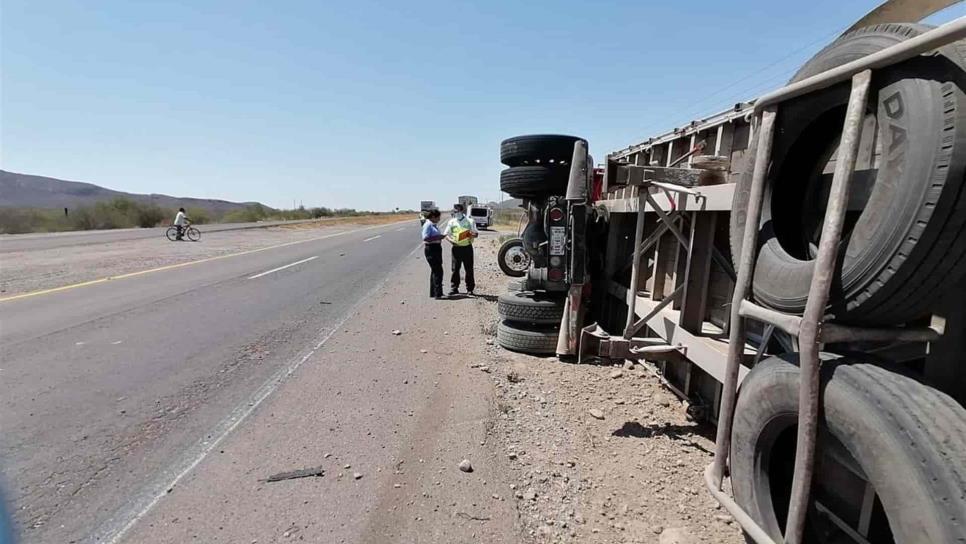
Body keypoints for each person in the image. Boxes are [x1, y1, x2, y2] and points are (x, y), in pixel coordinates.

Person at [443, 203, 478, 295]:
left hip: (467, 248)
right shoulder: (451, 222)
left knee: (469, 269)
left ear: (462, 211)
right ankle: (454, 288)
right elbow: (446, 234)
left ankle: (470, 289)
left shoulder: (470, 221)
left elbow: (476, 234)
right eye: (454, 211)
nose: (456, 213)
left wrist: (468, 234)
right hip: (456, 249)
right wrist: (451, 241)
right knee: (455, 269)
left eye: (457, 211)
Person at [421, 208, 446, 299]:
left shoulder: (433, 225)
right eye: (438, 217)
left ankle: (434, 292)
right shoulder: (428, 225)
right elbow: (425, 238)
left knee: (435, 271)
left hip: (436, 248)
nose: (439, 219)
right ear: (433, 217)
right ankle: (437, 293)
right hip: (431, 249)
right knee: (438, 271)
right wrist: (438, 237)